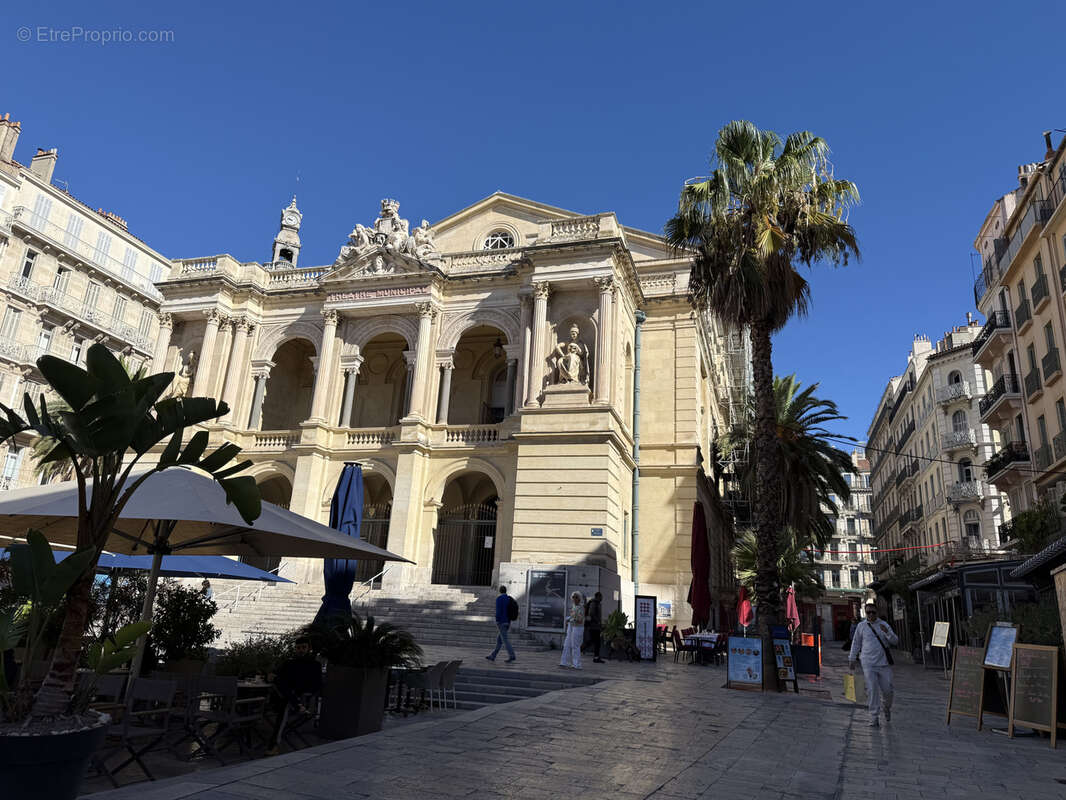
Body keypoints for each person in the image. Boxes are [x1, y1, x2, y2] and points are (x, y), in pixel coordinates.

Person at [265, 636, 322, 755]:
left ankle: (273, 746)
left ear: (309, 648)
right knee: (279, 682)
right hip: (286, 697)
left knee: (285, 702)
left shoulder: (314, 665)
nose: (300, 650)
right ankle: (296, 704)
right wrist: (269, 676)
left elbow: (317, 686)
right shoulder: (289, 663)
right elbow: (274, 676)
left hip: (301, 698)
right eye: (298, 648)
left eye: (303, 647)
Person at [848, 602, 899, 727]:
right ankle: (874, 716)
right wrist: (852, 658)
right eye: (868, 612)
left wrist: (887, 632)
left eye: (873, 612)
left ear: (877, 613)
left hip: (883, 663)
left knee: (888, 690)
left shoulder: (883, 625)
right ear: (865, 613)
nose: (870, 614)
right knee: (872, 689)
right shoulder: (861, 626)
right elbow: (856, 643)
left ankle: (887, 707)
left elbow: (895, 641)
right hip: (868, 663)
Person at [486, 585, 517, 663]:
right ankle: (493, 656)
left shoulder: (499, 598)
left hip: (501, 622)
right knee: (499, 640)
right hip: (508, 622)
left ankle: (512, 655)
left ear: (500, 591)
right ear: (505, 591)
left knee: (505, 640)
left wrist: (497, 620)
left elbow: (498, 611)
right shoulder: (509, 598)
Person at [559, 591, 585, 669]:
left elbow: (580, 619)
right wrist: (569, 619)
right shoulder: (574, 607)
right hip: (572, 627)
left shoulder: (581, 607)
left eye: (576, 597)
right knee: (567, 644)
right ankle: (564, 662)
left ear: (579, 599)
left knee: (575, 645)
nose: (574, 599)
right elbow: (573, 617)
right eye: (573, 597)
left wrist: (570, 619)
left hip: (578, 627)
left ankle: (577, 664)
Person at [586, 591, 604, 664]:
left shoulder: (597, 603)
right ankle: (579, 650)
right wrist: (597, 621)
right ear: (597, 597)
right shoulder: (594, 603)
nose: (602, 598)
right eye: (601, 597)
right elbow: (591, 613)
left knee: (596, 642)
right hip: (593, 627)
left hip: (596, 627)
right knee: (593, 642)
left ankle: (596, 657)